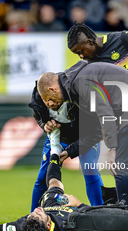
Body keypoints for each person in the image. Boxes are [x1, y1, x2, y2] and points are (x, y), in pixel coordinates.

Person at [36, 60, 128, 231]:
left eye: (49, 100)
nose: (50, 105)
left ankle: (126, 220)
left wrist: (111, 149)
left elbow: (105, 113)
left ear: (52, 89)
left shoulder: (79, 83)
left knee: (121, 164)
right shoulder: (75, 81)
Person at [66, 22, 128, 231]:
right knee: (121, 166)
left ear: (91, 42)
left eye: (80, 50)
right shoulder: (90, 64)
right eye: (76, 54)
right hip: (116, 118)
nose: (81, 56)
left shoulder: (123, 39)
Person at [28, 82, 104, 212]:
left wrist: (70, 151)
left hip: (85, 137)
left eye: (51, 99)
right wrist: (44, 124)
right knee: (43, 176)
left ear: (55, 89)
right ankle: (33, 217)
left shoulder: (80, 93)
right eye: (46, 100)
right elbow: (39, 116)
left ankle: (101, 214)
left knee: (90, 170)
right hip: (60, 138)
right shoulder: (39, 95)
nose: (50, 104)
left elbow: (97, 132)